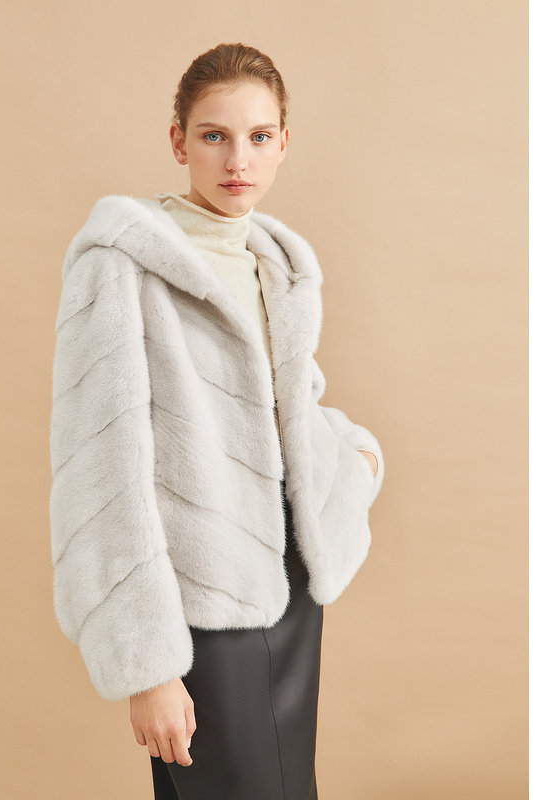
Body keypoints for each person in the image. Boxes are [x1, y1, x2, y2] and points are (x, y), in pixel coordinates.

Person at [49, 42, 385, 799]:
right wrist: (148, 666)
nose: (239, 160)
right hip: (198, 607)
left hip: (291, 587)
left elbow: (288, 409)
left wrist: (356, 459)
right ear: (179, 142)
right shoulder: (123, 264)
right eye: (214, 135)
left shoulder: (277, 265)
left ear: (284, 143)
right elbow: (100, 472)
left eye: (259, 137)